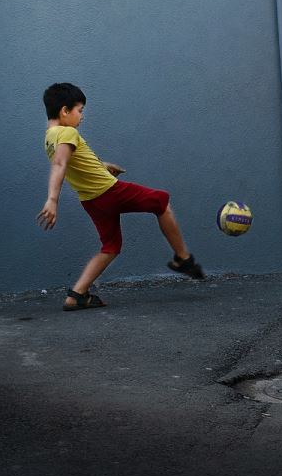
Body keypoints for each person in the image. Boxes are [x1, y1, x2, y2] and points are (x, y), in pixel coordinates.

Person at [37, 82, 204, 311]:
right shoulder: (67, 132)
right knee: (161, 202)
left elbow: (75, 163)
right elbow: (60, 164)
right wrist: (52, 200)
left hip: (92, 201)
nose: (82, 117)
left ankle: (77, 294)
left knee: (111, 246)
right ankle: (183, 258)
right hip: (110, 193)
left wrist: (102, 166)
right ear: (65, 111)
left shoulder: (50, 137)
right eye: (80, 111)